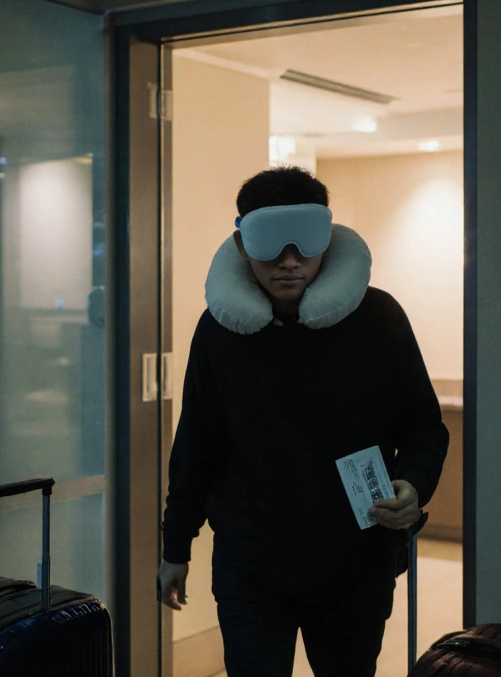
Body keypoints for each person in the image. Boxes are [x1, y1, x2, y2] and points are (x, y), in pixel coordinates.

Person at [156, 166, 449, 676]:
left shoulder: (378, 319)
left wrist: (413, 485)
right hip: (251, 564)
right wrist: (175, 545)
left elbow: (424, 425)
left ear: (327, 240)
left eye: (304, 243)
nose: (289, 261)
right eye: (270, 243)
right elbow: (197, 443)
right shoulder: (222, 329)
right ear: (242, 243)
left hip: (354, 563)